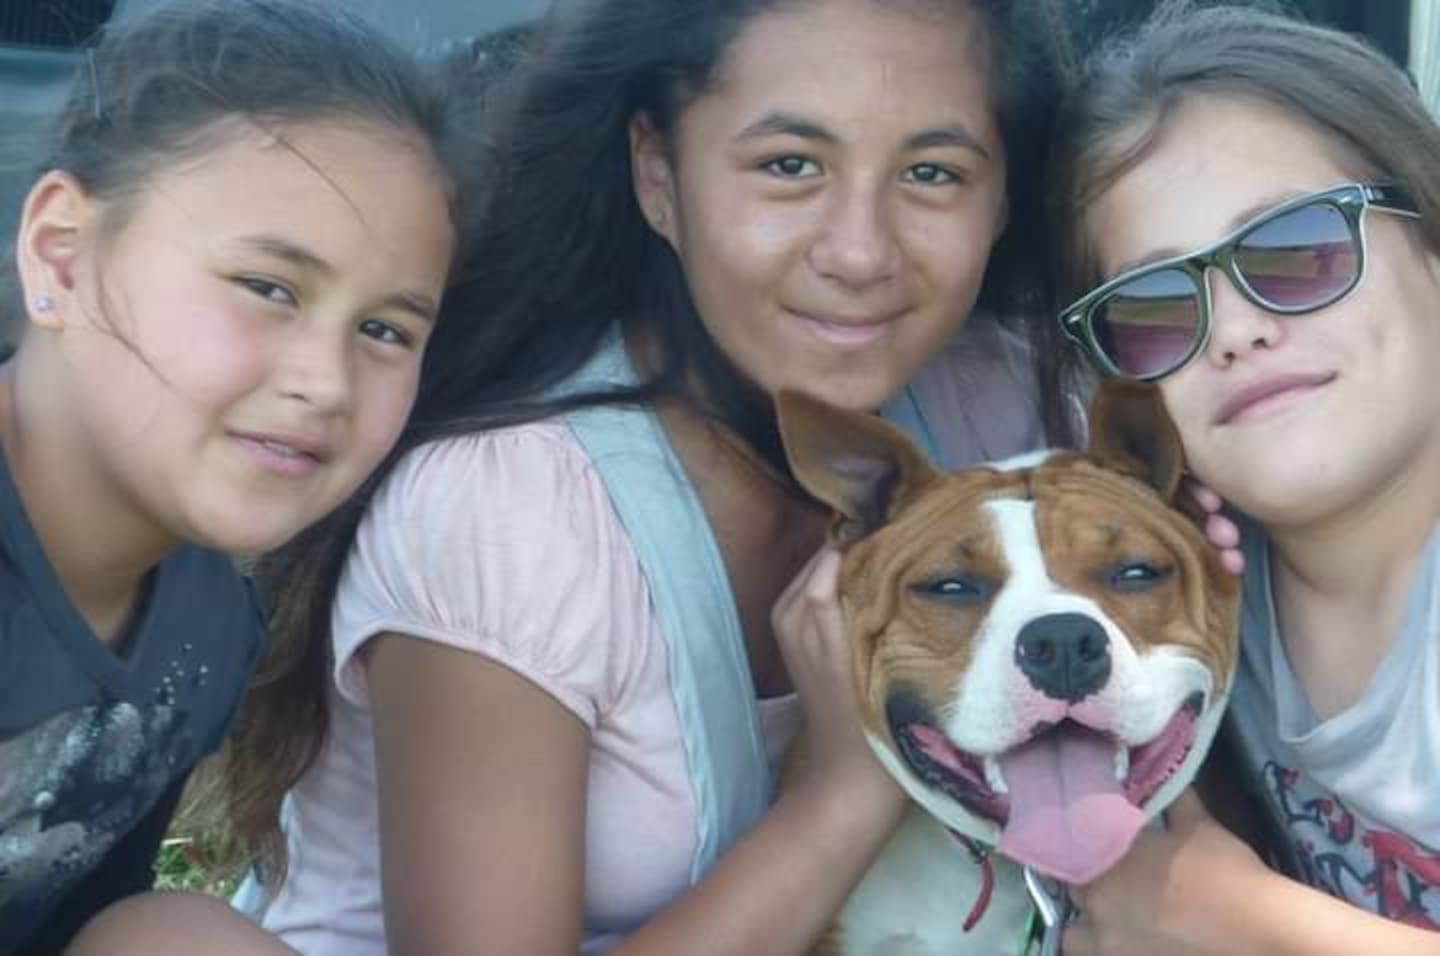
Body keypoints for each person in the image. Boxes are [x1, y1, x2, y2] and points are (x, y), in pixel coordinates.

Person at [78, 1, 1069, 953]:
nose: (861, 250)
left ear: (1004, 196)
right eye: (790, 165)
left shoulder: (998, 411)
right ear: (658, 173)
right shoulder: (510, 506)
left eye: (934, 173)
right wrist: (845, 788)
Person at [0, 0, 481, 951]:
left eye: (385, 330)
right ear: (61, 249)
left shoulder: (204, 623)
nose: (326, 381)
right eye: (270, 288)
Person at [1049, 4, 1440, 954]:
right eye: (1151, 309)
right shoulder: (1207, 586)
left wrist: (1229, 913)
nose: (1234, 330)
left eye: (1295, 251)